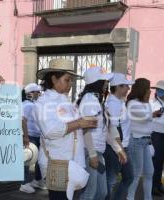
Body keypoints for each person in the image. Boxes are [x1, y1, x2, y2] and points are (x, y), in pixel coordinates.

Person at [34, 58, 97, 200]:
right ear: (54, 79)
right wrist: (79, 123)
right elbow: (50, 131)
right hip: (58, 163)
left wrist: (85, 124)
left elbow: (76, 128)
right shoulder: (43, 102)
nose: (70, 84)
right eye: (67, 80)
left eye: (71, 80)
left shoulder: (68, 102)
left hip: (74, 163)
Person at [78, 66, 124, 200]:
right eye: (104, 81)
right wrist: (92, 155)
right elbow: (85, 129)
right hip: (90, 152)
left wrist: (118, 149)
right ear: (96, 83)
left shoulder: (97, 101)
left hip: (98, 152)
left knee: (101, 192)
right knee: (89, 193)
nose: (107, 84)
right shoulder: (89, 100)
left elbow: (105, 130)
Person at [126, 78, 163, 200]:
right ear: (142, 89)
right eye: (148, 88)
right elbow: (146, 117)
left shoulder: (145, 103)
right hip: (136, 140)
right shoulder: (132, 103)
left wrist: (151, 110)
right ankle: (129, 197)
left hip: (146, 141)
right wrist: (153, 114)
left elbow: (148, 120)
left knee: (149, 172)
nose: (150, 91)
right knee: (136, 174)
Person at [104, 73, 134, 200]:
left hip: (123, 147)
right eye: (126, 86)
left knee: (128, 177)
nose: (128, 88)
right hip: (116, 148)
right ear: (118, 87)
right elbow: (113, 129)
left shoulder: (119, 102)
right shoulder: (113, 104)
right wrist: (120, 150)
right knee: (111, 180)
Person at [20, 83, 46, 193]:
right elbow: (23, 120)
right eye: (37, 92)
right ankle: (24, 183)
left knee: (38, 159)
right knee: (26, 159)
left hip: (36, 135)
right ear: (31, 93)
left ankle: (38, 180)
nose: (39, 94)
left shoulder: (32, 104)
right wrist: (25, 136)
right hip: (30, 136)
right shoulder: (27, 105)